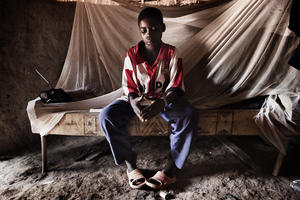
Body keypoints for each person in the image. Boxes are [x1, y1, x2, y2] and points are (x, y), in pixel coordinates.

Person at [98, 7, 198, 190]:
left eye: (154, 29)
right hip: (137, 100)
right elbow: (128, 86)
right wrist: (134, 102)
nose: (149, 34)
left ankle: (170, 170)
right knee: (106, 116)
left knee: (189, 115)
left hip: (164, 101)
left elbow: (176, 86)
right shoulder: (132, 54)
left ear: (163, 28)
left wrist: (162, 102)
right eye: (144, 30)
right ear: (139, 31)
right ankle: (130, 165)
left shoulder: (172, 53)